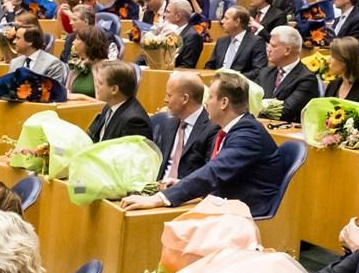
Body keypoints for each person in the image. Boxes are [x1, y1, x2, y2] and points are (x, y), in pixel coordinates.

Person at [127, 71, 284, 214]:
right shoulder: (232, 129)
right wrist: (181, 184)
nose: (206, 103)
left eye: (209, 97)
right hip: (225, 203)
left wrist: (158, 198)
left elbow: (214, 172)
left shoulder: (248, 134)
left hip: (245, 213)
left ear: (224, 103)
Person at [151, 72, 213, 188]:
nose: (165, 100)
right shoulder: (169, 122)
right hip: (156, 189)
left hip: (187, 196)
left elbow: (208, 176)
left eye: (169, 95)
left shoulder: (211, 129)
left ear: (185, 99)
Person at [256, 26, 320, 123]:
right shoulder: (265, 72)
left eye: (273, 46)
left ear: (287, 50)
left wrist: (258, 107)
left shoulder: (306, 79)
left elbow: (285, 111)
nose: (268, 49)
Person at [88, 61, 154, 142]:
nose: (96, 85)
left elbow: (130, 154)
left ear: (114, 89)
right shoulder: (109, 107)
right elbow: (94, 136)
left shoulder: (134, 122)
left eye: (100, 83)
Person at [209, 5, 267, 78]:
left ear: (237, 22)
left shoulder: (256, 42)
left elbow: (259, 70)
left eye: (226, 18)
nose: (222, 21)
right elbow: (210, 66)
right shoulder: (221, 41)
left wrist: (235, 78)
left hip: (240, 85)